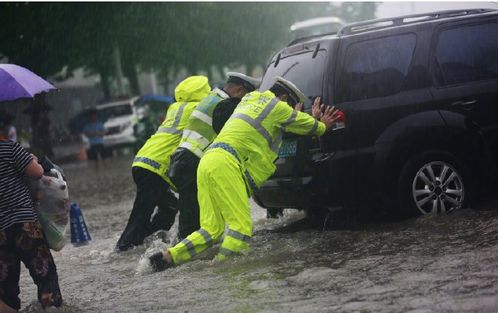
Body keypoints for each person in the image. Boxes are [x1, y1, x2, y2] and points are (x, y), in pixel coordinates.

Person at [148, 76, 341, 271]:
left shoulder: (250, 100)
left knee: (211, 230)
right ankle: (223, 271)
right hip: (226, 164)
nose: (292, 110)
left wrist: (300, 118)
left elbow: (284, 125)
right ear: (283, 98)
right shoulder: (278, 108)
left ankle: (167, 257)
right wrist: (321, 123)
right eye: (292, 106)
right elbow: (314, 127)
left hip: (208, 161)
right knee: (240, 228)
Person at [115, 75, 211, 252]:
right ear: (202, 92)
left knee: (169, 206)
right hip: (155, 167)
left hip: (143, 160)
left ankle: (145, 240)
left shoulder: (175, 107)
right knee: (140, 213)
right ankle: (125, 248)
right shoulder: (197, 109)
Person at [167, 72, 261, 240]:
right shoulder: (227, 105)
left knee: (192, 218)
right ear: (240, 90)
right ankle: (175, 259)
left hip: (180, 161)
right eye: (247, 96)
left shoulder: (210, 98)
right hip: (193, 164)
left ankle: (177, 252)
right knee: (195, 223)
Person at [0, 139, 63, 312]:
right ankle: (51, 308)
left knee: (7, 290)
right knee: (45, 276)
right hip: (24, 225)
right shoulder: (9, 147)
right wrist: (32, 159)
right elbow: (36, 172)